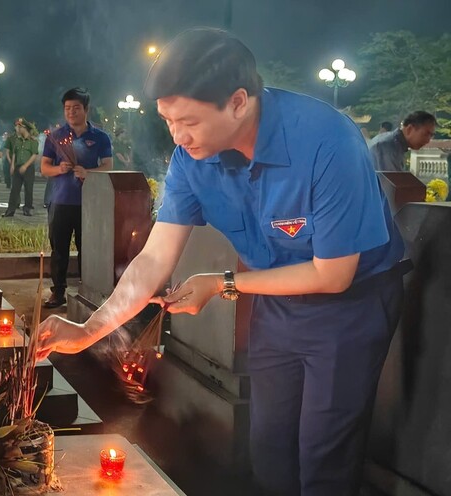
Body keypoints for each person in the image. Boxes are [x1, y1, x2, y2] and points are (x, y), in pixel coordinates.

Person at [36, 29, 405, 496]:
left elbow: (333, 275)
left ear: (238, 102)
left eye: (188, 120)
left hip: (350, 307)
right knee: (269, 446)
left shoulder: (326, 141)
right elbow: (154, 258)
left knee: (324, 455)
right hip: (277, 303)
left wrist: (223, 283)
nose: (177, 135)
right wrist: (89, 330)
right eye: (168, 120)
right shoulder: (192, 159)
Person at [40, 88, 113, 308]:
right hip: (60, 201)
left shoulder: (100, 137)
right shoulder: (56, 137)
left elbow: (108, 165)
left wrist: (89, 173)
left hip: (88, 203)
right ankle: (58, 292)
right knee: (59, 250)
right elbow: (44, 168)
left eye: (76, 108)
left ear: (86, 109)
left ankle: (87, 290)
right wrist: (59, 169)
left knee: (88, 250)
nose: (71, 112)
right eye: (67, 108)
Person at [368, 111, 436, 172]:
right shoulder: (387, 146)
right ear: (409, 129)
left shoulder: (394, 143)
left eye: (431, 135)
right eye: (425, 134)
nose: (428, 140)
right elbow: (391, 181)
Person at [4, 118, 38, 217]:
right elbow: (14, 153)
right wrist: (12, 165)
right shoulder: (17, 140)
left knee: (28, 189)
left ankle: (27, 209)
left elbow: (34, 155)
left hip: (28, 168)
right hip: (18, 167)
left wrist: (25, 166)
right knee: (14, 190)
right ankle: (10, 210)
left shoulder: (33, 141)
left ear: (25, 128)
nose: (18, 129)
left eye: (20, 127)